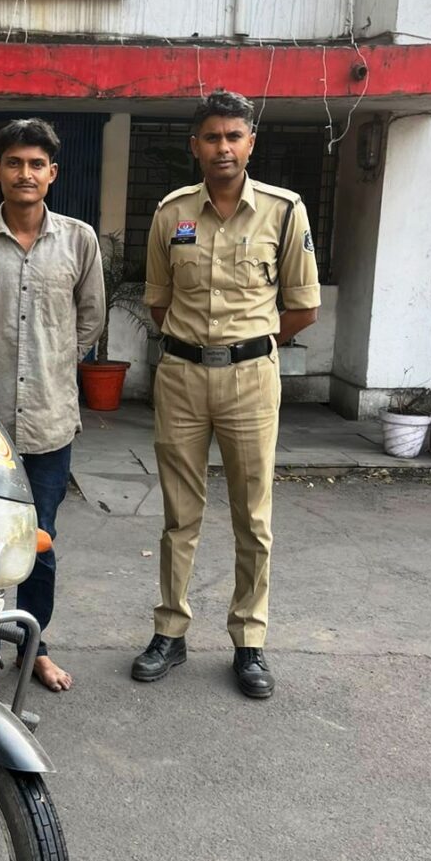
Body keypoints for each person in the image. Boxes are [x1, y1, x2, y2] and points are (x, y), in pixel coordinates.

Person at [133, 90, 320, 699]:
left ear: (250, 143)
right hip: (182, 378)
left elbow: (303, 307)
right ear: (196, 145)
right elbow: (158, 302)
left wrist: (250, 345)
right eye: (212, 137)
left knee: (253, 516)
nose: (223, 147)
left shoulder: (284, 212)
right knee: (179, 515)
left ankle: (249, 640)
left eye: (234, 136)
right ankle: (171, 631)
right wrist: (200, 348)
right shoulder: (172, 213)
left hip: (251, 380)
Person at [0, 118, 105, 693]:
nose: (25, 174)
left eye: (36, 164)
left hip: (51, 422)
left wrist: (53, 361)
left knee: (40, 541)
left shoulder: (79, 241)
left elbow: (90, 318)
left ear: (52, 173)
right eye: (14, 163)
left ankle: (34, 647)